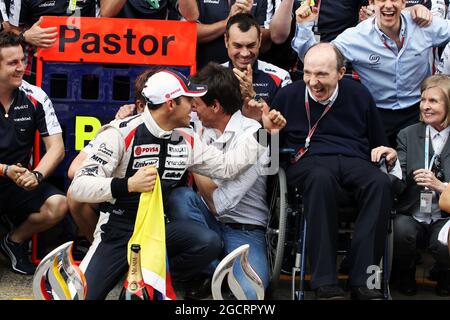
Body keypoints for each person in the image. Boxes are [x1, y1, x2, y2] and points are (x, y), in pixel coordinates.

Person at [68, 68, 285, 299]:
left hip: (157, 232)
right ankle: (125, 272)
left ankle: (153, 278)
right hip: (117, 230)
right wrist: (128, 184)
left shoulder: (185, 138)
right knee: (81, 296)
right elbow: (79, 186)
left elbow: (227, 166)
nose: (193, 106)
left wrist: (266, 133)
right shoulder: (120, 133)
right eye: (188, 99)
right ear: (170, 104)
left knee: (208, 242)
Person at [270, 43, 396, 300]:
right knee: (320, 178)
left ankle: (366, 279)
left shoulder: (358, 94)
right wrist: (268, 130)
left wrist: (388, 152)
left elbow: (378, 141)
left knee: (380, 183)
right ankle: (324, 282)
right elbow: (270, 158)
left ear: (341, 72)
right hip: (309, 161)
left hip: (354, 160)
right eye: (307, 73)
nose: (313, 82)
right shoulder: (288, 96)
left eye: (322, 75)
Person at [167, 63, 271, 300]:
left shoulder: (254, 135)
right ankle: (214, 271)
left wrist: (193, 160)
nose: (192, 109)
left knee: (251, 295)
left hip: (244, 229)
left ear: (215, 106)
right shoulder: (199, 125)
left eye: (197, 104)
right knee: (181, 197)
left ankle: (212, 274)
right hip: (205, 224)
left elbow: (221, 204)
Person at [292, 0, 450, 147]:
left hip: (419, 110)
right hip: (377, 113)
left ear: (403, 2)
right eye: (382, 0)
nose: (388, 5)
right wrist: (305, 27)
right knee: (378, 167)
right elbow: (317, 59)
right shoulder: (356, 37)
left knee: (419, 172)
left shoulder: (423, 25)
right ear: (372, 3)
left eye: (394, 0)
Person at [373, 75, 450, 297]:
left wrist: (441, 186)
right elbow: (399, 182)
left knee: (445, 240)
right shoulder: (408, 134)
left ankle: (445, 272)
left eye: (433, 101)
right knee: (400, 230)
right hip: (413, 211)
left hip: (445, 214)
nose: (425, 106)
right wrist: (393, 161)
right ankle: (405, 273)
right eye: (423, 100)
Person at [0, 32, 67, 275]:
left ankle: (14, 241)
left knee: (58, 205)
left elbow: (57, 148)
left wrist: (36, 175)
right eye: (12, 63)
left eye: (22, 61)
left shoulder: (35, 95)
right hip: (5, 172)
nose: (21, 68)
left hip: (19, 181)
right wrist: (4, 169)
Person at [67, 70, 152, 243]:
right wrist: (116, 180)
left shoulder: (181, 127)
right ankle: (98, 246)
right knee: (75, 196)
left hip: (155, 198)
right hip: (121, 192)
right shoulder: (119, 126)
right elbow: (74, 170)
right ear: (140, 106)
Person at [223, 13, 291, 105]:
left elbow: (283, 118)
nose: (245, 53)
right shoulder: (211, 77)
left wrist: (252, 95)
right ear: (226, 41)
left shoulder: (281, 78)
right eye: (238, 46)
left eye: (251, 46)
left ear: (259, 41)